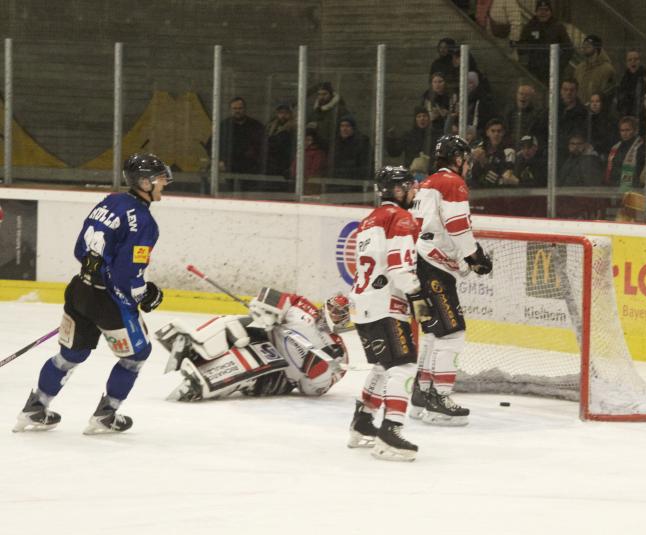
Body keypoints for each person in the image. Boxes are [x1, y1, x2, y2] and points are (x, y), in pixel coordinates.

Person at [14, 154, 170, 434]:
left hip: (80, 290)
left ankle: (35, 407)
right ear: (145, 182)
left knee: (70, 356)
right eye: (160, 180)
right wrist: (144, 294)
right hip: (109, 300)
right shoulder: (144, 221)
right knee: (137, 356)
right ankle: (106, 415)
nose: (164, 184)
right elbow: (127, 275)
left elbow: (79, 248)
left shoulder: (110, 202)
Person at [409, 135, 493, 426]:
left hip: (422, 262)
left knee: (434, 332)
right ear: (458, 159)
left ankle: (421, 393)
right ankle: (439, 398)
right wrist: (473, 256)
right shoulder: (452, 183)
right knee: (453, 332)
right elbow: (457, 225)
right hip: (434, 268)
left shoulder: (428, 183)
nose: (467, 166)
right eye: (466, 160)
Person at [345, 166, 423, 461]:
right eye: (410, 186)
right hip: (386, 305)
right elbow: (398, 266)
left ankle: (363, 424)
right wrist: (416, 294)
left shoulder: (368, 220)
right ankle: (391, 432)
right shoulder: (400, 218)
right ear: (398, 190)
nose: (414, 191)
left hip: (363, 304)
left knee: (383, 365)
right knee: (403, 367)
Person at [154, 288, 349, 402]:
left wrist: (319, 373)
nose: (331, 314)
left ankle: (201, 386)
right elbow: (274, 297)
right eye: (330, 308)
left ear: (345, 318)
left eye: (338, 312)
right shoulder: (305, 309)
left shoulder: (339, 352)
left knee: (251, 363)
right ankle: (194, 343)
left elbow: (312, 390)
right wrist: (264, 311)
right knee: (231, 324)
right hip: (266, 335)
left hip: (281, 376)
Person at [217, 97, 265, 174]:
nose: (237, 111)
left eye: (240, 108)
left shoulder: (256, 126)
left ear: (245, 109)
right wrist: (220, 160)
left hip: (251, 168)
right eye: (234, 108)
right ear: (230, 110)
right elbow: (214, 144)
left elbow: (263, 146)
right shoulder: (224, 125)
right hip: (230, 167)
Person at [571, 35, 617, 103]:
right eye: (584, 44)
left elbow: (608, 93)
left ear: (596, 47)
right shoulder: (579, 68)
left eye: (588, 45)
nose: (584, 47)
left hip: (597, 110)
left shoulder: (607, 69)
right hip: (579, 110)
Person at [264, 102, 296, 178]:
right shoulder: (270, 126)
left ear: (290, 114)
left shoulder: (294, 128)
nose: (283, 115)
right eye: (281, 113)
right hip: (271, 163)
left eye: (286, 113)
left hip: (285, 162)